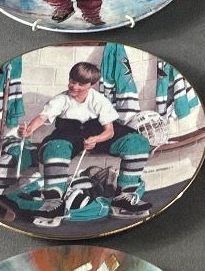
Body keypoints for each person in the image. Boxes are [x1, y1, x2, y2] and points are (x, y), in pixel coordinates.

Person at [18, 60, 153, 219]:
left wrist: (96, 139)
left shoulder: (99, 100)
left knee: (137, 142)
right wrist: (29, 129)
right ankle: (53, 202)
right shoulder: (61, 99)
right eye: (72, 81)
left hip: (96, 131)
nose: (74, 87)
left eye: (81, 84)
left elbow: (109, 131)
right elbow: (42, 117)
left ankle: (124, 196)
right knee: (55, 147)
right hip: (69, 131)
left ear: (91, 85)